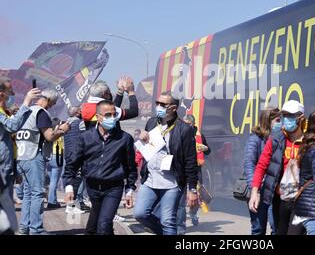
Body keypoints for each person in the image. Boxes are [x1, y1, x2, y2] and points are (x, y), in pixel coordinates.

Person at [63, 100, 137, 235]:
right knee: (97, 224)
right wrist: (69, 187)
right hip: (92, 187)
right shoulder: (85, 137)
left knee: (104, 223)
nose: (112, 118)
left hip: (113, 188)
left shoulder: (125, 139)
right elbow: (73, 163)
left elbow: (130, 167)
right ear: (98, 117)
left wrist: (129, 190)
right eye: (108, 115)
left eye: (114, 115)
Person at [134, 91, 198, 235]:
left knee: (168, 220)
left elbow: (190, 161)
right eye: (157, 103)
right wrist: (142, 136)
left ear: (173, 108)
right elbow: (145, 146)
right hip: (150, 179)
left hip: (171, 182)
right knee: (140, 214)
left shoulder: (184, 129)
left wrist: (192, 189)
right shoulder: (151, 122)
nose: (159, 107)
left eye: (163, 104)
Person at [16, 88, 70, 235]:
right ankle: (36, 229)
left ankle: (24, 227)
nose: (53, 106)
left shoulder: (26, 111)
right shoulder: (41, 113)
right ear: (50, 100)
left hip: (22, 156)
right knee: (38, 194)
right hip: (34, 156)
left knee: (28, 194)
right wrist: (63, 130)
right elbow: (49, 136)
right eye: (54, 103)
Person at [248, 100, 306, 235]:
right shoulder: (276, 139)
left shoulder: (309, 140)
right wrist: (254, 192)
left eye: (291, 116)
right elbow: (261, 165)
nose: (286, 119)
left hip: (301, 199)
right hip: (280, 199)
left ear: (301, 118)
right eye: (284, 115)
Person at [0, 77, 40, 199]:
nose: (13, 94)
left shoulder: (4, 112)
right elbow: (12, 127)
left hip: (7, 163)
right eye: (10, 91)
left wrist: (15, 170)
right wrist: (26, 101)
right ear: (1, 94)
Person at [244, 107, 279, 235]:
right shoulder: (255, 139)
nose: (280, 123)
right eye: (277, 120)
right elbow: (249, 165)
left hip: (274, 191)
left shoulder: (279, 138)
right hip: (259, 191)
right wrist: (255, 190)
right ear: (267, 121)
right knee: (258, 229)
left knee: (277, 227)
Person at [177, 114, 210, 234]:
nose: (186, 126)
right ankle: (180, 225)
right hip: (181, 169)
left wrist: (203, 149)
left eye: (188, 124)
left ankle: (193, 213)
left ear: (193, 124)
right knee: (180, 198)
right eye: (184, 123)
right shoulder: (179, 133)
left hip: (196, 170)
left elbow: (208, 150)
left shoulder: (200, 136)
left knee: (197, 194)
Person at [63, 106, 90, 213]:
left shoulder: (65, 124)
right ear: (78, 113)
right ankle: (71, 205)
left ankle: (74, 204)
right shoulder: (80, 123)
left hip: (68, 154)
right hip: (77, 154)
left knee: (71, 178)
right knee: (77, 179)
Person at [46, 118, 65, 208]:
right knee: (54, 181)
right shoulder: (58, 134)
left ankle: (53, 199)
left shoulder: (48, 133)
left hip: (48, 156)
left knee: (52, 181)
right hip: (57, 156)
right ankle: (51, 202)